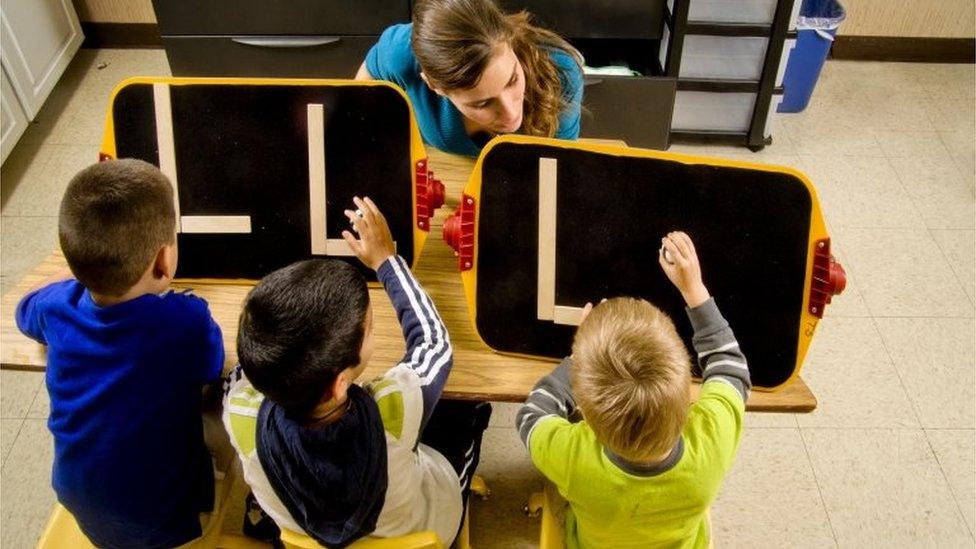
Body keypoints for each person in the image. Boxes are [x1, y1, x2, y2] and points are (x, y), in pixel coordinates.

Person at [223, 197, 490, 547]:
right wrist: (387, 262)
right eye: (369, 329)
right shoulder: (395, 407)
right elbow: (434, 342)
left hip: (303, 533)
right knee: (465, 407)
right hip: (424, 529)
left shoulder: (240, 414)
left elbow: (242, 373)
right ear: (339, 384)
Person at [15, 159, 225, 548]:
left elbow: (23, 309)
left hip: (78, 498)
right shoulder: (187, 322)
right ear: (163, 260)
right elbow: (211, 366)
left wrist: (74, 274)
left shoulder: (56, 306)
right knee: (217, 415)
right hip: (165, 518)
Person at [516, 231, 751, 548]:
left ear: (586, 415)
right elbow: (729, 365)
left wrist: (580, 357)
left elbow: (532, 415)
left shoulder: (573, 459)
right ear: (686, 395)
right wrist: (694, 289)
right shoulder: (711, 445)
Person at [356, 0, 584, 156]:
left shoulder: (560, 75)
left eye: (513, 80)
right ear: (434, 85)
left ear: (511, 42)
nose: (511, 114)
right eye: (482, 103)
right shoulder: (402, 54)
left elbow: (556, 176)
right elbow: (359, 98)